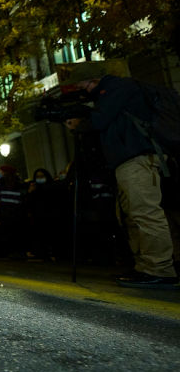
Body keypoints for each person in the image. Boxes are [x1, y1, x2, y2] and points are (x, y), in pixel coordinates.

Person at [64, 63, 178, 287]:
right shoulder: (114, 91)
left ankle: (160, 270)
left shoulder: (117, 87)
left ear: (94, 81)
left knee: (145, 213)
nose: (82, 90)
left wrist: (80, 124)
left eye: (82, 85)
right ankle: (145, 267)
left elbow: (99, 120)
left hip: (136, 158)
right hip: (129, 159)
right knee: (133, 215)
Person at [0, 165, 29, 261]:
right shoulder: (16, 183)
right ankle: (16, 253)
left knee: (15, 233)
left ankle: (18, 253)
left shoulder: (5, 184)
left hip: (13, 212)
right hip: (12, 212)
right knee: (13, 233)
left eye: (0, 171)